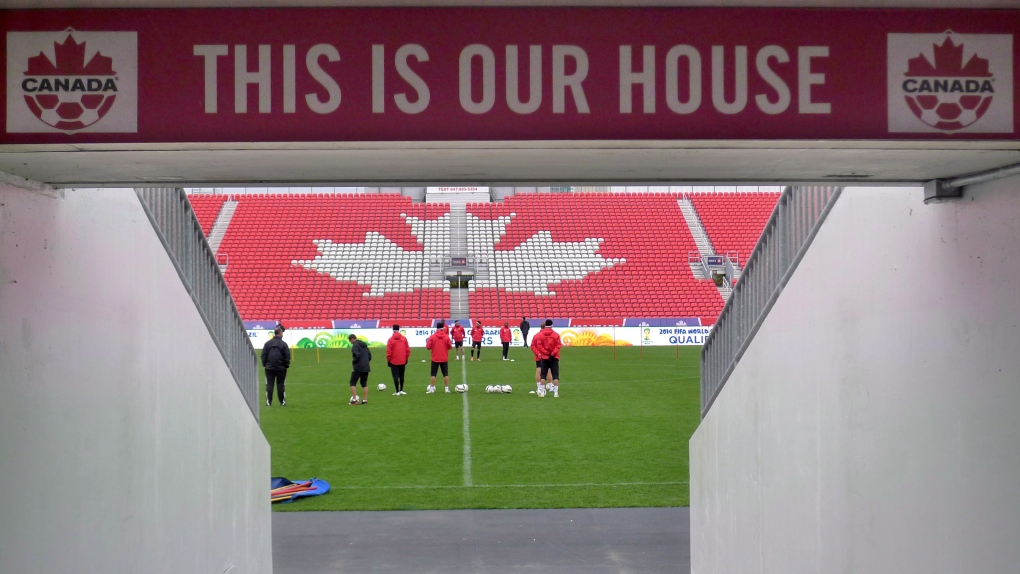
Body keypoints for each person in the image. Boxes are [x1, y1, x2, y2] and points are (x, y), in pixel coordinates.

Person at [261, 326, 290, 406]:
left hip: (269, 368)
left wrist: (265, 364)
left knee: (269, 385)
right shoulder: (284, 344)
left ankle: (268, 402)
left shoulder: (267, 343)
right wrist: (286, 365)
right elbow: (287, 356)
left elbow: (263, 355)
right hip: (281, 368)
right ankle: (282, 402)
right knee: (281, 385)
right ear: (280, 333)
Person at [533, 320, 562, 398]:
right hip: (554, 357)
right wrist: (552, 353)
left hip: (544, 357)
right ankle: (556, 393)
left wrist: (545, 353)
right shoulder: (556, 335)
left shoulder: (540, 335)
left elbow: (539, 346)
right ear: (552, 325)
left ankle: (542, 393)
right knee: (555, 376)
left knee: (543, 376)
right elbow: (558, 345)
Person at [425, 321, 453, 393]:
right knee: (445, 374)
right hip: (444, 357)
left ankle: (431, 389)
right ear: (443, 329)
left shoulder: (432, 337)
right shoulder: (446, 337)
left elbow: (428, 347)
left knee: (433, 374)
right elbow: (450, 347)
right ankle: (446, 389)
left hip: (435, 358)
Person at [386, 324, 411, 395]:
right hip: (402, 360)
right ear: (399, 329)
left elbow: (389, 351)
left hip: (394, 361)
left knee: (395, 376)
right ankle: (401, 390)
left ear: (392, 329)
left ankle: (397, 391)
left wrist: (388, 360)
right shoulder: (404, 339)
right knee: (402, 375)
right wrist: (406, 358)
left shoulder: (390, 340)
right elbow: (407, 350)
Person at [348, 334, 371, 405]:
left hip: (358, 367)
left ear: (352, 339)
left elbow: (356, 355)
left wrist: (354, 362)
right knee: (364, 383)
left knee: (352, 382)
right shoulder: (364, 345)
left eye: (350, 341)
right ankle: (365, 400)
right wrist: (366, 362)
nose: (350, 342)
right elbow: (369, 356)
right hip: (366, 367)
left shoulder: (355, 345)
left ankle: (354, 400)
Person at [531, 330, 553, 395]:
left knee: (538, 370)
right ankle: (550, 385)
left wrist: (537, 353)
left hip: (539, 356)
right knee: (548, 369)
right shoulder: (547, 336)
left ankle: (539, 387)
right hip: (546, 355)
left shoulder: (536, 335)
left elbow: (532, 346)